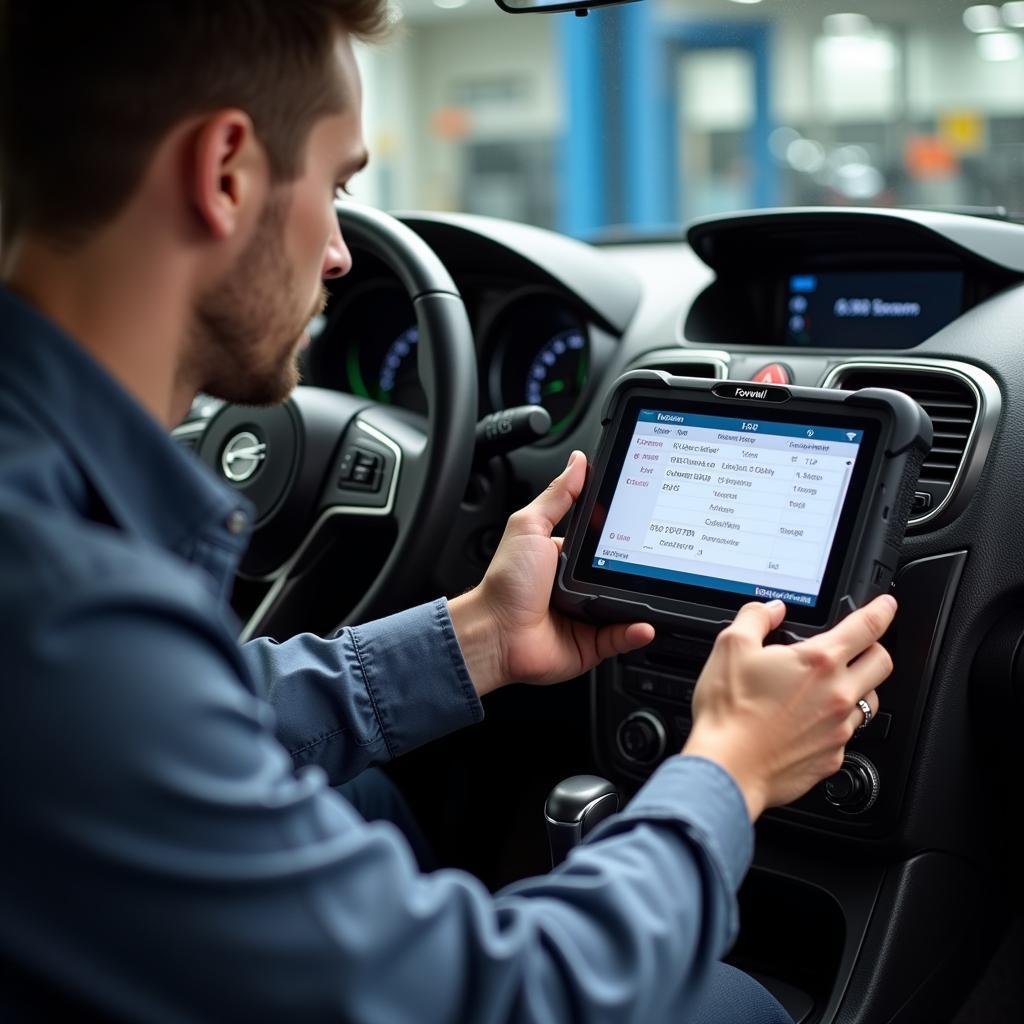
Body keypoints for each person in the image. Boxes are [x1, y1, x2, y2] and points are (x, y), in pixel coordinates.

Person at [0, 2, 896, 1021]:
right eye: (337, 186)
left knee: (362, 798)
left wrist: (473, 636)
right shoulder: (68, 608)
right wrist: (729, 768)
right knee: (727, 1004)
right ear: (225, 173)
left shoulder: (45, 529)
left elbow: (176, 717)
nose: (339, 254)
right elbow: (504, 997)